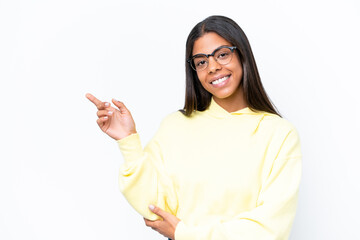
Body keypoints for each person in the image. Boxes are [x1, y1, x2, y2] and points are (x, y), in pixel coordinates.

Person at [86, 15, 302, 240]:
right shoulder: (175, 126)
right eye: (201, 61)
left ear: (242, 55)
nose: (213, 67)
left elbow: (270, 229)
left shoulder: (279, 134)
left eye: (222, 54)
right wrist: (128, 140)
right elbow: (154, 207)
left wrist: (186, 234)